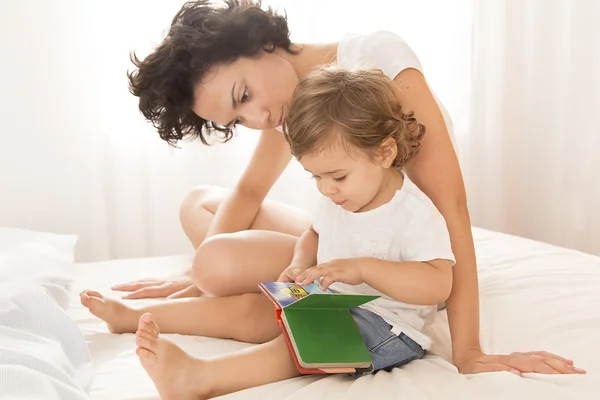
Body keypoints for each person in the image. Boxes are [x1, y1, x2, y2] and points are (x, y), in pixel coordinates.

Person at [110, 0, 583, 376]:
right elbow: (250, 192)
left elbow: (451, 207)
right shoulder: (288, 101)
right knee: (199, 204)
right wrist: (193, 279)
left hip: (403, 260)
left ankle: (227, 291)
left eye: (244, 96)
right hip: (352, 233)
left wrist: (471, 351)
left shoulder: (375, 63)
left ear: (261, 42)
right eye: (237, 119)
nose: (256, 120)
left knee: (215, 261)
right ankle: (228, 281)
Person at [84, 66, 458, 399]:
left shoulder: (413, 213)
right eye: (316, 177)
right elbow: (314, 233)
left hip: (387, 329)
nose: (326, 189)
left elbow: (438, 284)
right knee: (249, 310)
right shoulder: (340, 197)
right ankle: (132, 316)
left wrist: (363, 269)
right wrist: (300, 261)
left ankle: (202, 378)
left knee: (299, 345)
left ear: (384, 153)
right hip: (330, 303)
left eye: (337, 177)